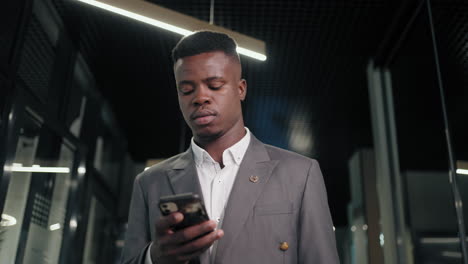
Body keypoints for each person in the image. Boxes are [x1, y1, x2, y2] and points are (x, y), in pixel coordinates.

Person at [121, 30, 339, 264]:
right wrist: (153, 257)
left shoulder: (300, 174)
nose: (200, 97)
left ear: (240, 89)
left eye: (214, 85)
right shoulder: (149, 182)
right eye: (186, 90)